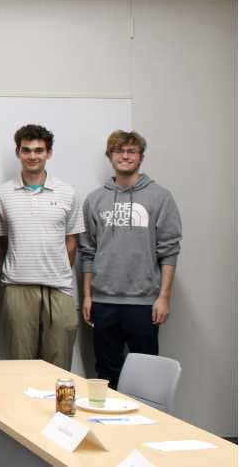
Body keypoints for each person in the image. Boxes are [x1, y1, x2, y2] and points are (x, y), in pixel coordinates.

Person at [79, 130, 182, 389]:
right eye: (119, 151)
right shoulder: (95, 199)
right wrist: (88, 296)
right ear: (110, 155)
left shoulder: (160, 197)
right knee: (105, 373)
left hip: (144, 303)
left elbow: (169, 250)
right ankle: (107, 429)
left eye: (131, 151)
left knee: (145, 377)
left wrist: (164, 297)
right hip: (104, 302)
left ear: (140, 157)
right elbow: (88, 251)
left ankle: (144, 430)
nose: (125, 156)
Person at [0, 124, 84, 370]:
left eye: (39, 150)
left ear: (49, 153)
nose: (32, 156)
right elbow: (2, 241)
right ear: (18, 152)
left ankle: (58, 410)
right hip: (17, 286)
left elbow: (72, 240)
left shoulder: (67, 193)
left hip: (59, 287)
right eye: (27, 150)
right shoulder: (2, 194)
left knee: (59, 364)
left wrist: (57, 269)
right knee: (21, 365)